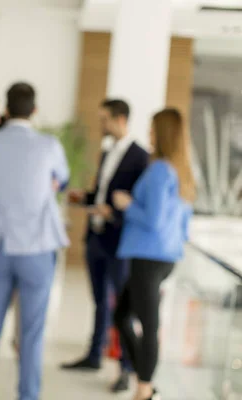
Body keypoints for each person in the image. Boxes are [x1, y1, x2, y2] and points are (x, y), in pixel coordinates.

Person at [0, 82, 70, 400]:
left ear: (7, 110)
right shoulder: (49, 145)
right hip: (36, 248)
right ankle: (28, 395)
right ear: (34, 110)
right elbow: (62, 180)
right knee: (31, 333)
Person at [62, 99, 148, 392]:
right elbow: (102, 193)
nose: (102, 125)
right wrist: (84, 198)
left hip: (118, 241)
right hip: (95, 238)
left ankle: (125, 368)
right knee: (99, 300)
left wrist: (114, 212)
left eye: (105, 119)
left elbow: (137, 204)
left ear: (120, 119)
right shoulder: (107, 152)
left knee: (121, 309)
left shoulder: (140, 157)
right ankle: (93, 354)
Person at [113, 108, 194, 400]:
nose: (148, 134)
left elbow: (154, 220)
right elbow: (184, 225)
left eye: (151, 129)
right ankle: (143, 376)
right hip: (165, 255)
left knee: (147, 324)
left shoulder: (160, 170)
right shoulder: (180, 170)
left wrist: (126, 203)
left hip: (149, 257)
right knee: (122, 315)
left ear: (162, 133)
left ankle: (144, 389)